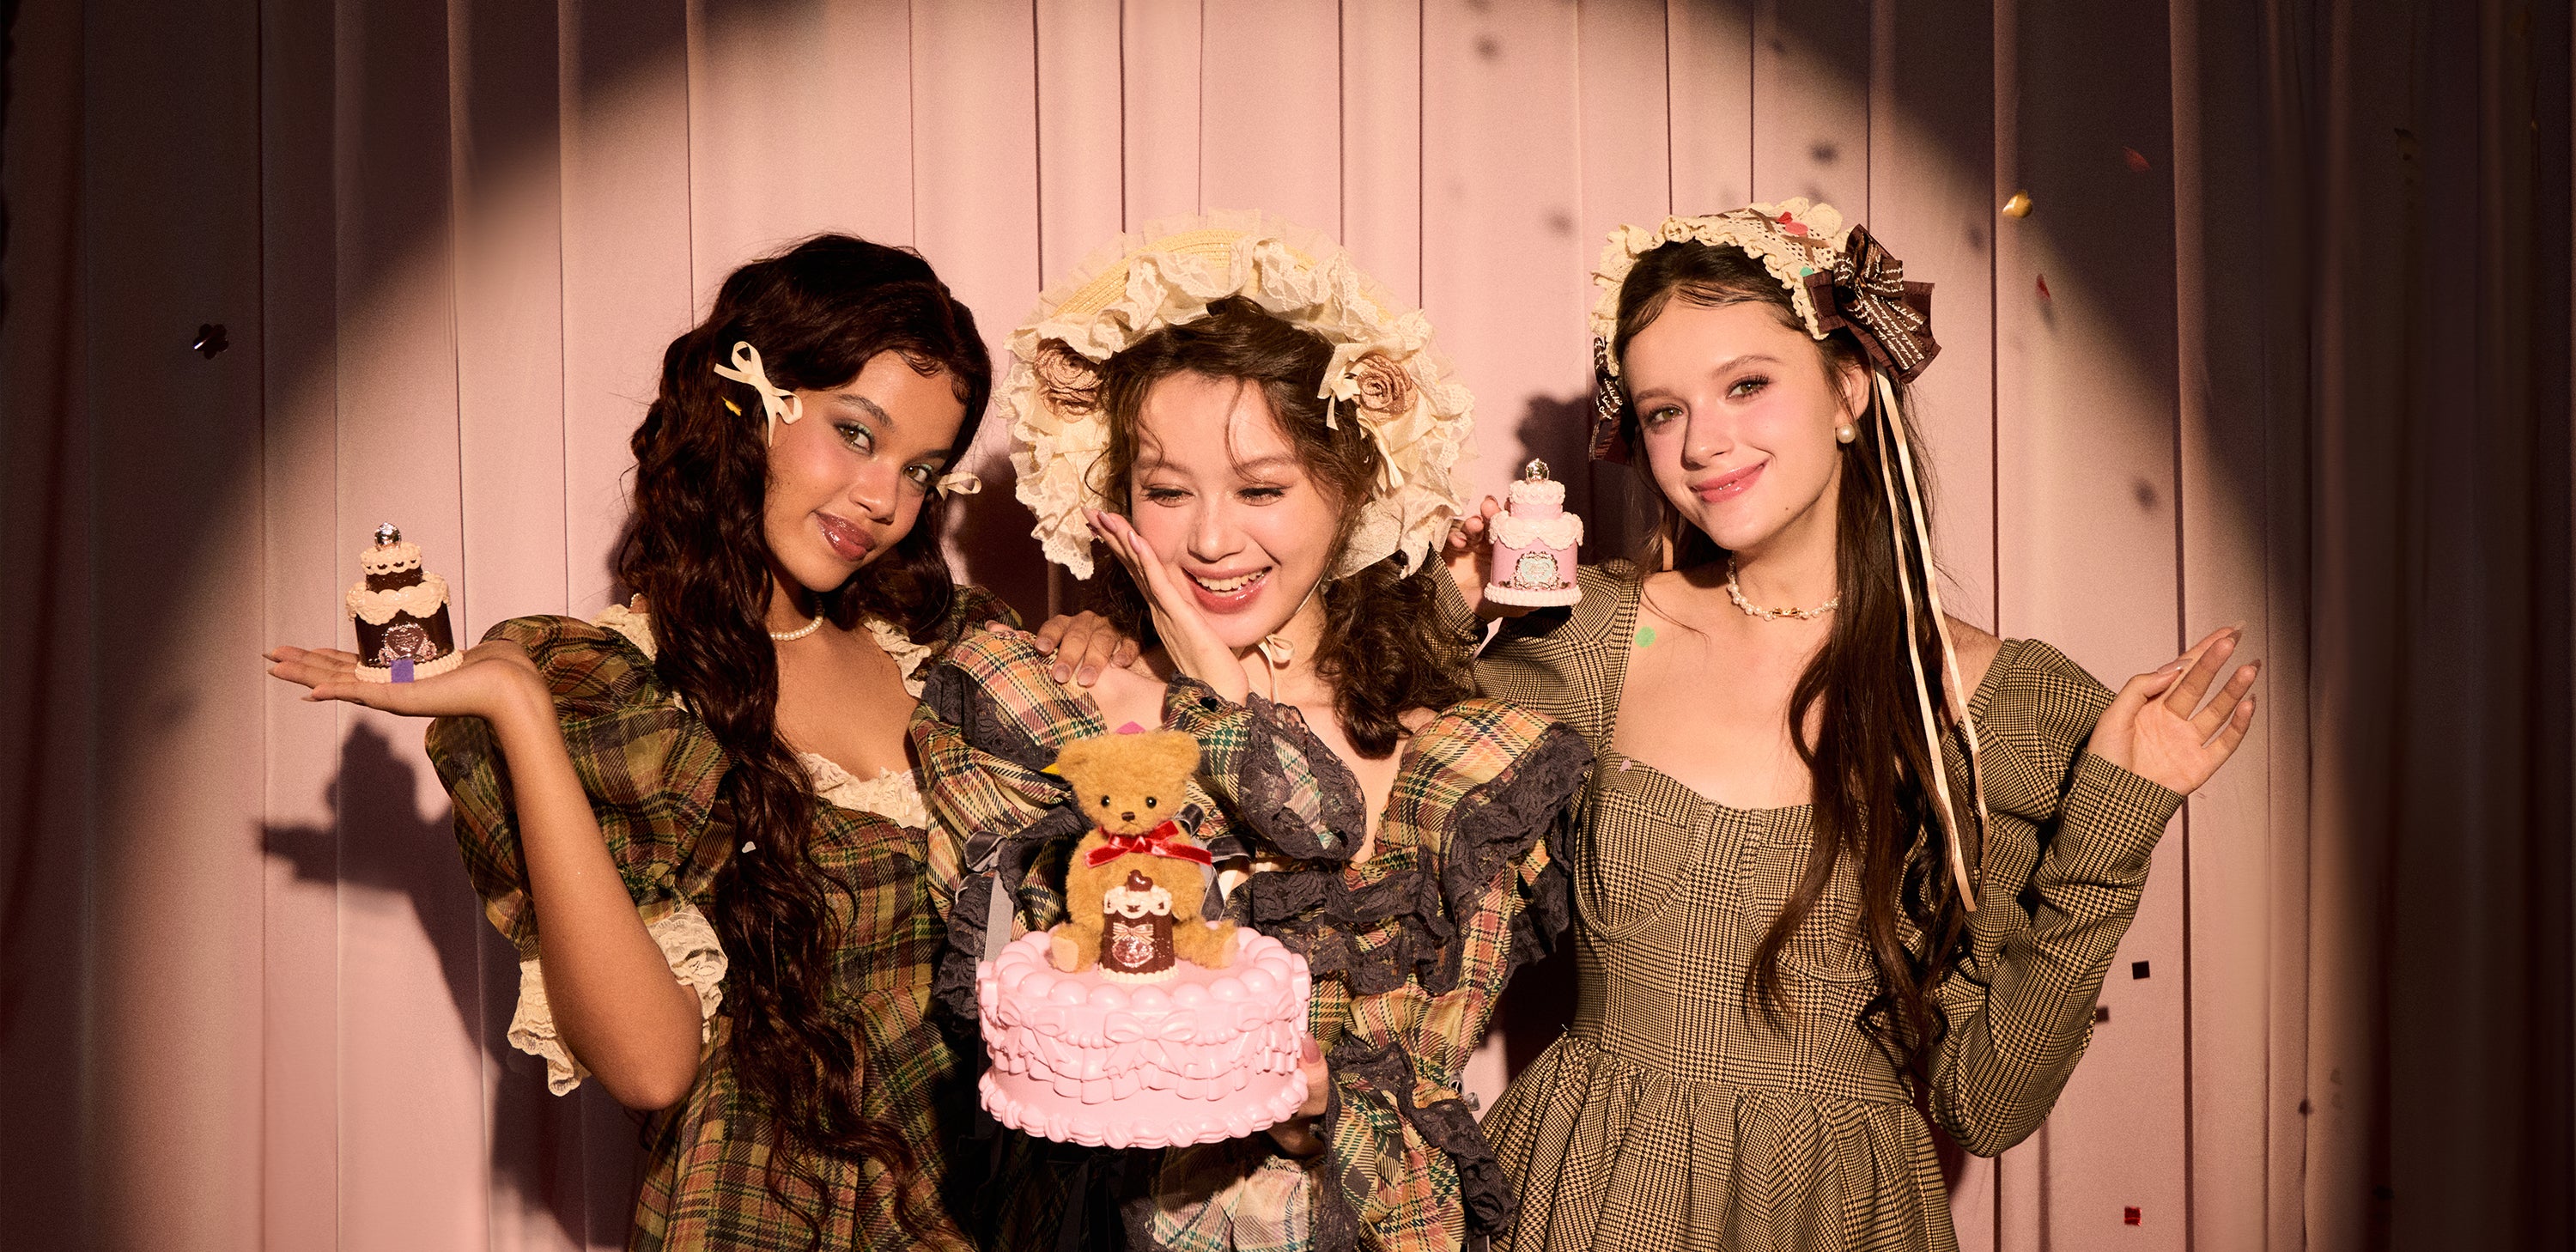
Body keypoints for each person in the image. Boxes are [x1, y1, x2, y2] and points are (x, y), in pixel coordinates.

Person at [1437, 202, 2263, 1251]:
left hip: (1838, 1215)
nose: (1703, 443)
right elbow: (1370, 832)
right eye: (1663, 411)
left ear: (1848, 390)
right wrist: (1444, 608)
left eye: (1746, 384)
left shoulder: (1990, 703)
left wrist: (2111, 831)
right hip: (1588, 1200)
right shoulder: (1597, 633)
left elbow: (1987, 1104)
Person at [267, 235, 1005, 1250]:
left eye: (922, 471)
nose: (885, 500)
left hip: (990, 1207)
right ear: (751, 400)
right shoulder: (620, 691)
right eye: (855, 433)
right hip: (762, 1221)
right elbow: (652, 1069)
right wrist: (522, 715)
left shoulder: (951, 655)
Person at [913, 213, 1589, 1250]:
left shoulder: (1457, 758)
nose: (1211, 540)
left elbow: (1420, 1098)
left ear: (1354, 489)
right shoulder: (1047, 710)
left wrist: (1321, 1116)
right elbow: (1007, 1028)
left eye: (1262, 488)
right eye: (1166, 491)